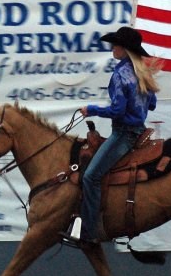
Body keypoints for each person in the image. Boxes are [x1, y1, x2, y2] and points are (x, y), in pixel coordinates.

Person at [62, 26, 160, 246]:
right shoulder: (142, 72)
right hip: (139, 131)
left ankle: (89, 231)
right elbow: (152, 105)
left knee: (91, 176)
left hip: (124, 134)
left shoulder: (119, 75)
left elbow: (117, 111)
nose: (112, 48)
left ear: (124, 49)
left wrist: (92, 109)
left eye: (115, 44)